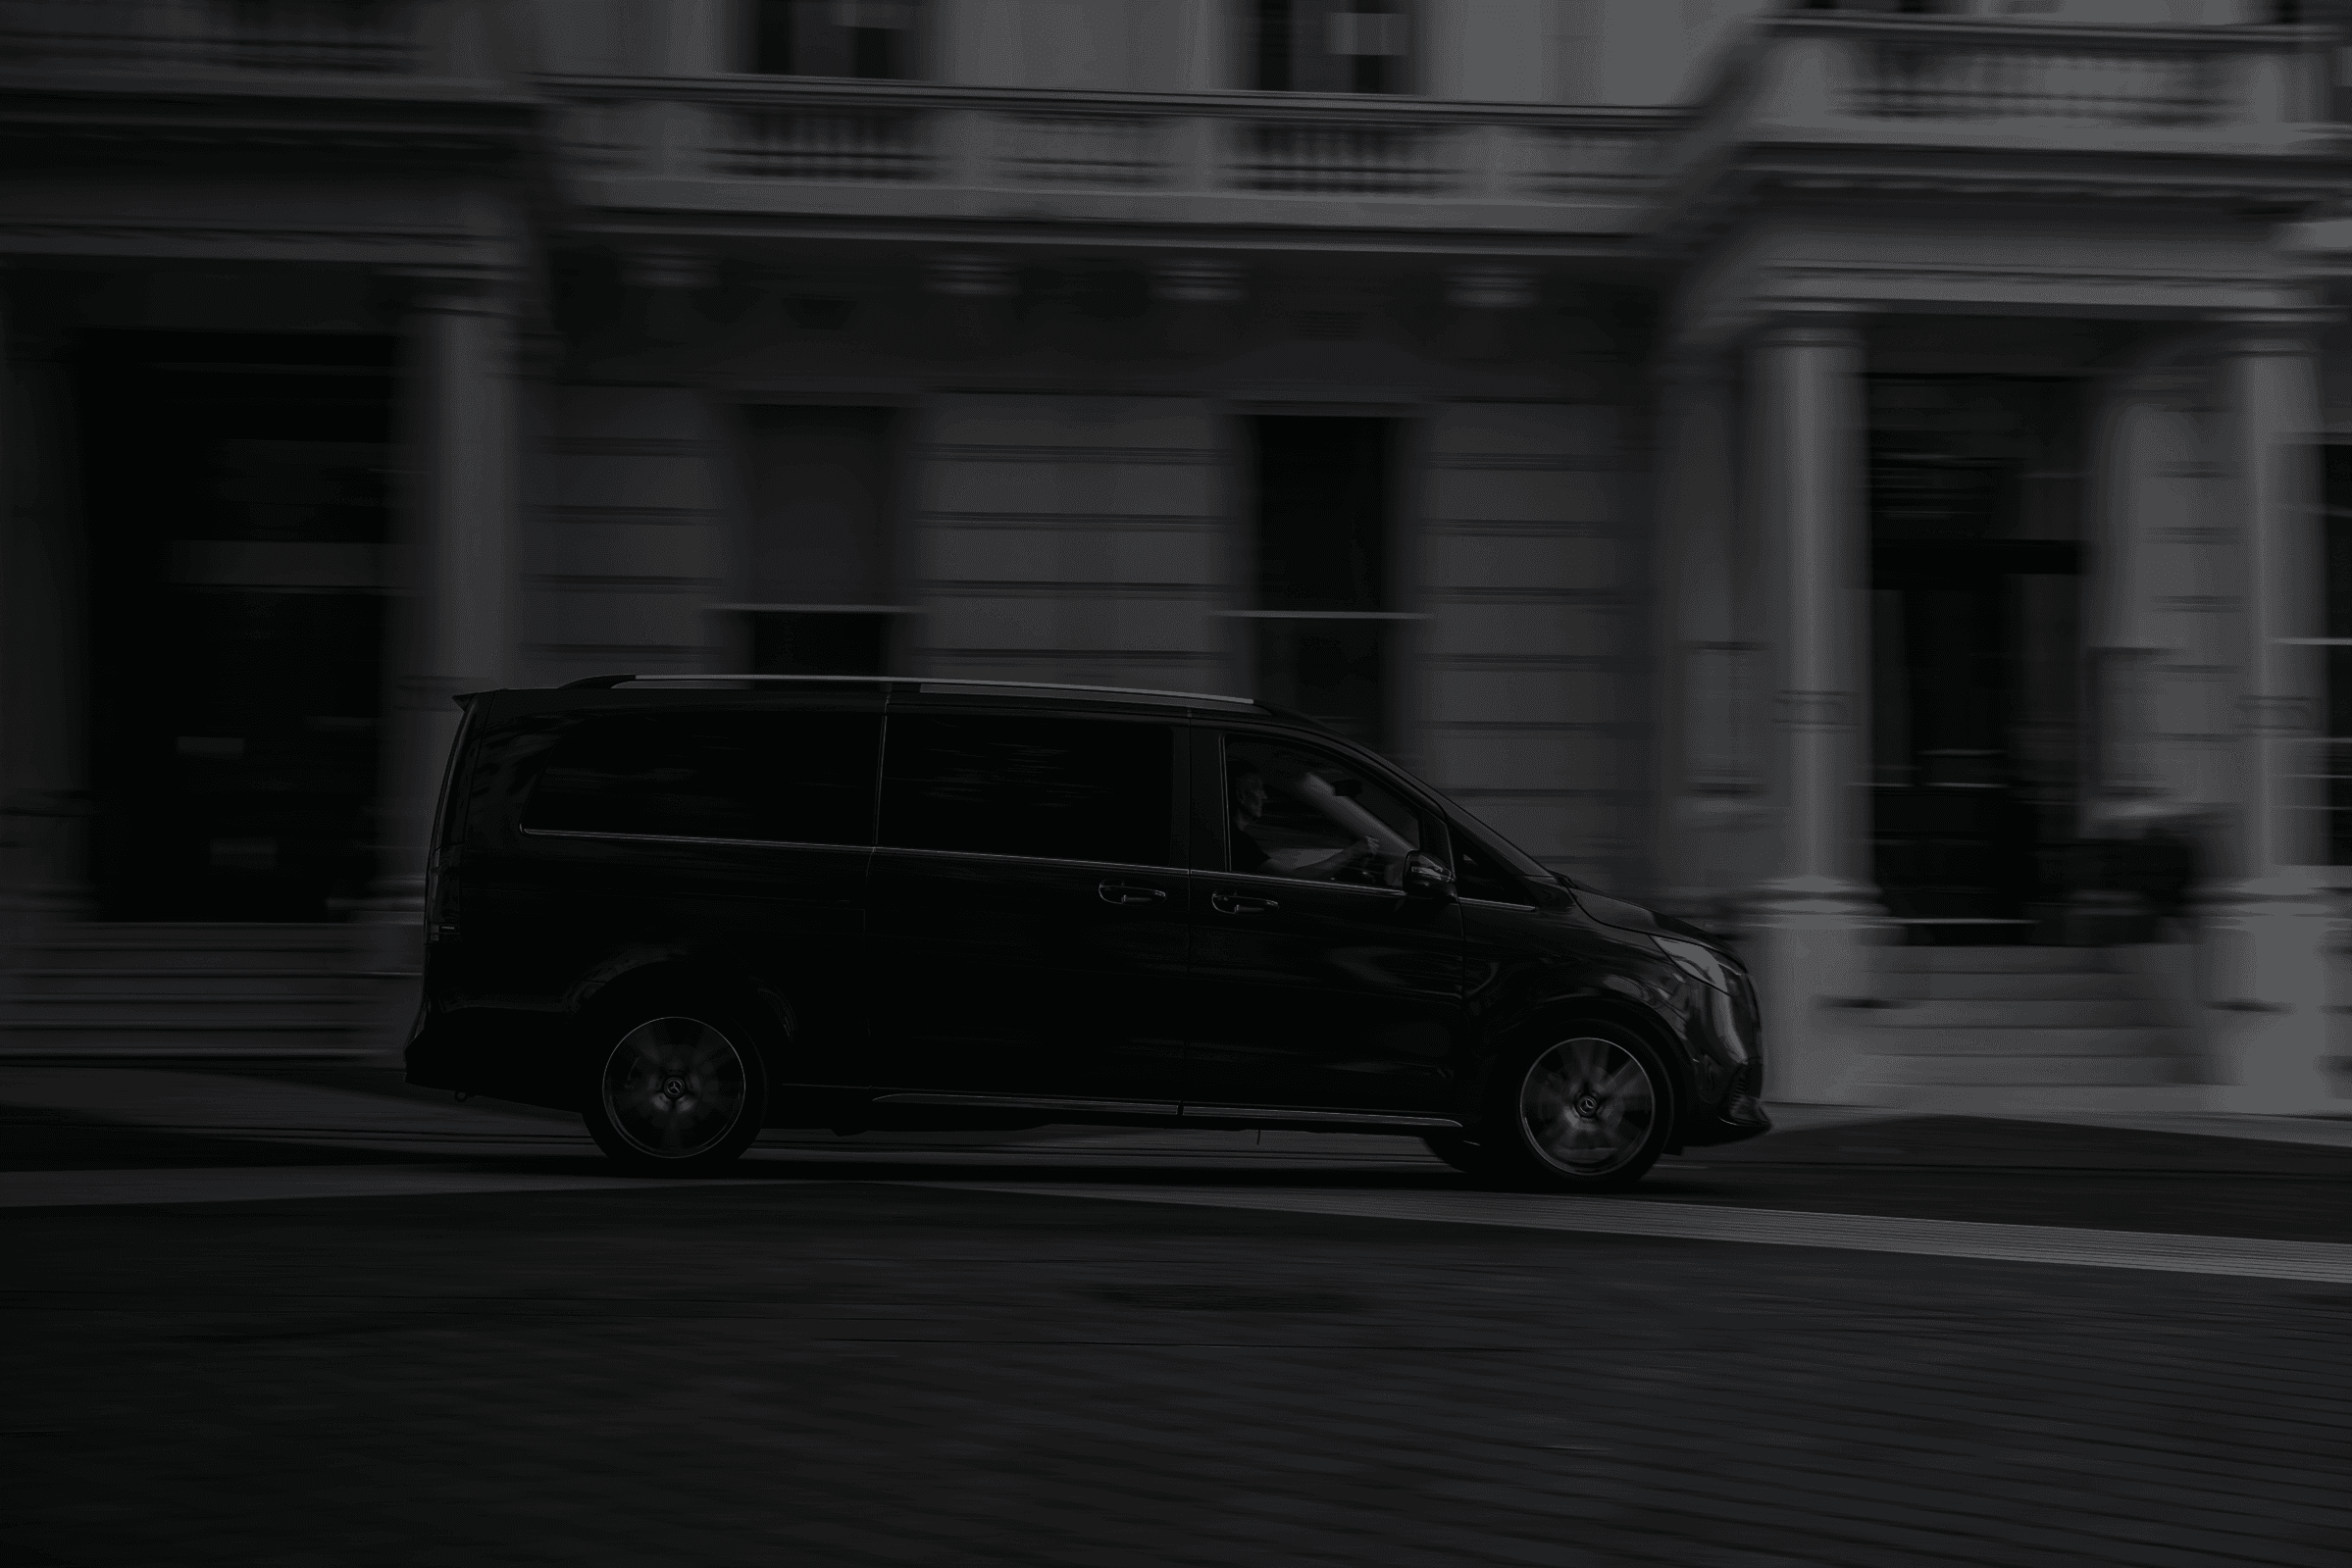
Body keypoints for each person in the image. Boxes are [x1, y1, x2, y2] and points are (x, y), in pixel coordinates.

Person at [1228, 761, 1381, 881]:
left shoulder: (1233, 838)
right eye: (1258, 789)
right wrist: (1351, 852)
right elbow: (1293, 879)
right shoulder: (1238, 842)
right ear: (1241, 796)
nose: (1264, 797)